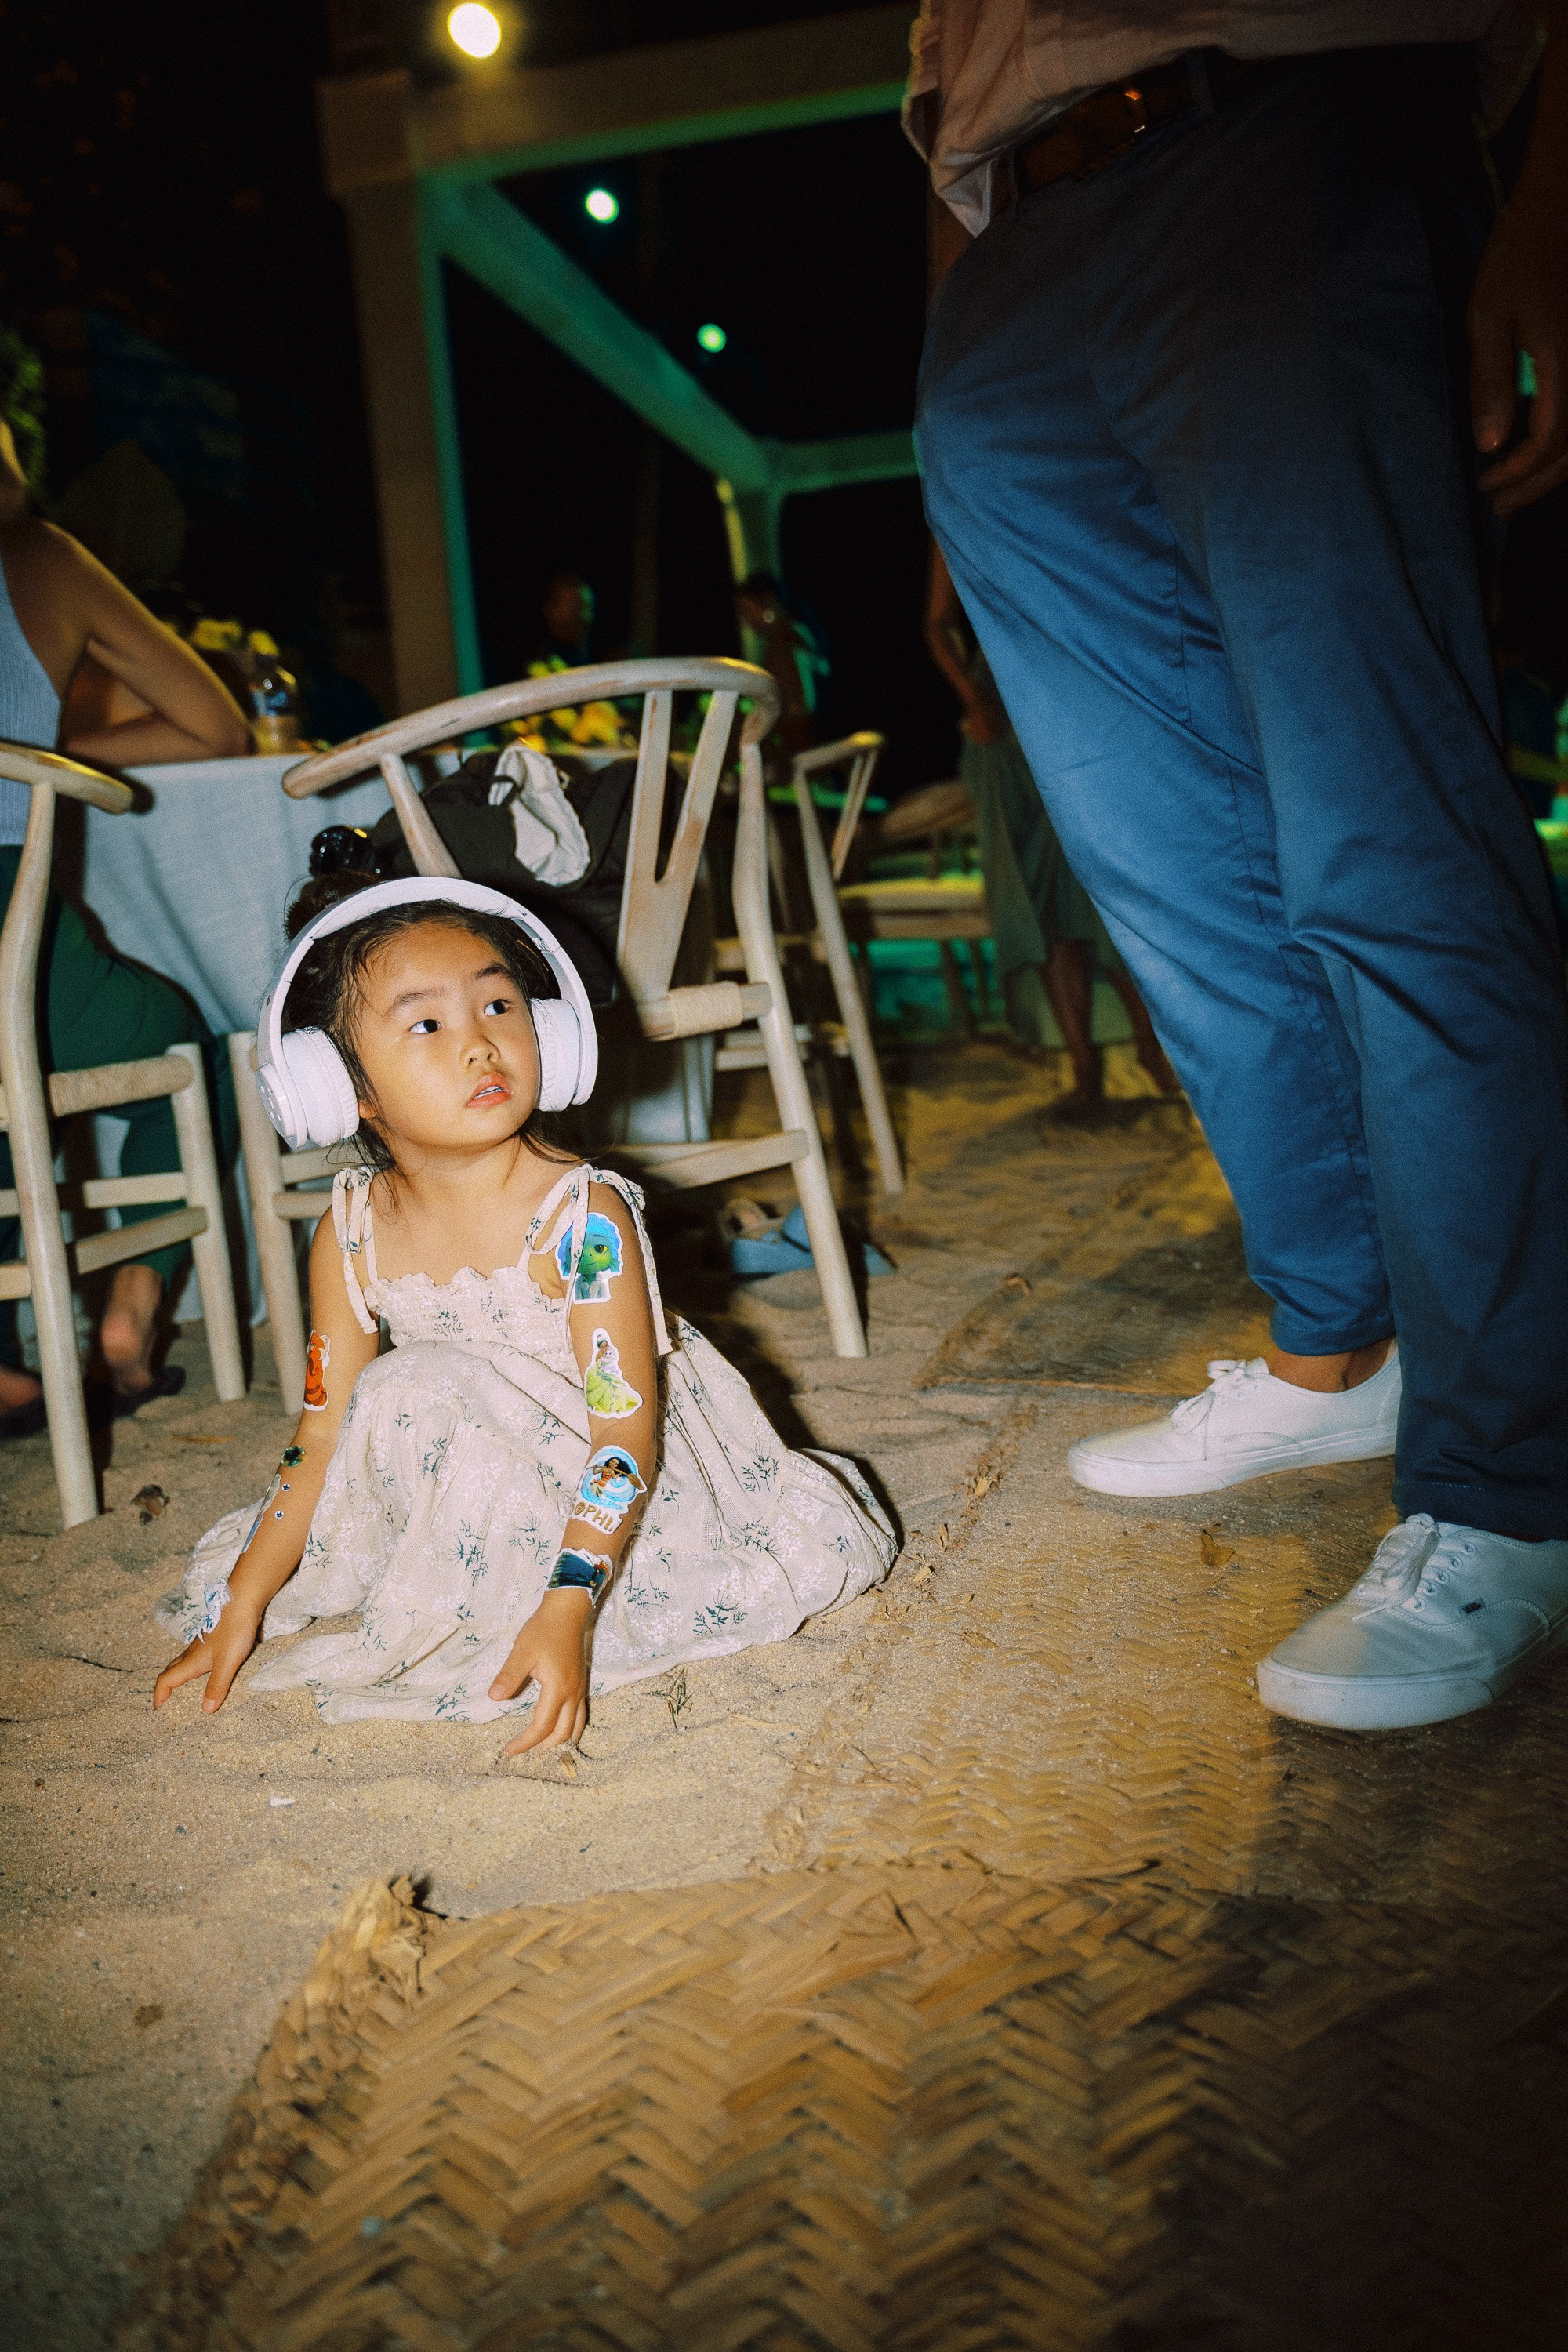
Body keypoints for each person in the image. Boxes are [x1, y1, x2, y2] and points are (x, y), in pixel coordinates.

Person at [911, 12, 1568, 1730]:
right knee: (1175, 888)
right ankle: (1337, 1348)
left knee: (1385, 833)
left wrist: (1550, 209)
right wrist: (958, 369)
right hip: (1009, 240)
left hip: (1291, 129)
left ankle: (1514, 1475)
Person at [151, 874, 893, 1747]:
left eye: (499, 1006)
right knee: (397, 1391)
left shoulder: (584, 1219)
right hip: (467, 1471)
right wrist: (240, 1604)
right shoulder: (348, 1229)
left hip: (600, 1471)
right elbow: (319, 1435)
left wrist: (570, 1603)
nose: (480, 1044)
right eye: (426, 1025)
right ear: (342, 1089)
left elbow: (623, 1437)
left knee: (429, 1388)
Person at [0, 414, 249, 1430]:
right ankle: (129, 1320)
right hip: (8, 940)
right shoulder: (34, 558)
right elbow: (215, 726)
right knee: (190, 1044)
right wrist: (44, 761)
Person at [925, 542, 1178, 1106]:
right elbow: (939, 624)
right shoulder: (955, 511)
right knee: (1039, 902)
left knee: (1109, 890)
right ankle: (1084, 1066)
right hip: (999, 711)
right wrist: (973, 699)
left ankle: (1150, 1045)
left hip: (1078, 688)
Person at [734, 571, 831, 766]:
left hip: (806, 759)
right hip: (820, 749)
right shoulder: (798, 632)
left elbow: (797, 712)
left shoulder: (783, 642)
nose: (745, 621)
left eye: (745, 609)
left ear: (767, 601)